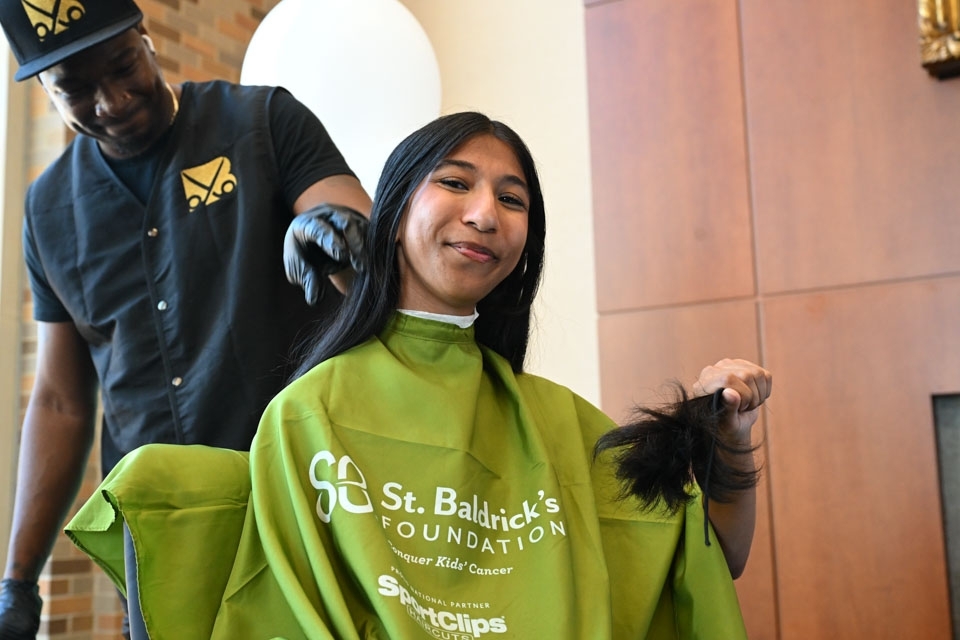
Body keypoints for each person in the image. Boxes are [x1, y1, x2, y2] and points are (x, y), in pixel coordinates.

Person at [66, 111, 772, 639]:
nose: (484, 213)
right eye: (456, 183)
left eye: (512, 199)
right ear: (396, 210)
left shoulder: (564, 424)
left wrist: (730, 435)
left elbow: (713, 555)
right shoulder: (307, 413)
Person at [0, 0, 373, 637]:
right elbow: (61, 401)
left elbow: (347, 223)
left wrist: (332, 228)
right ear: (44, 87)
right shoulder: (49, 209)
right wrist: (17, 581)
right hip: (159, 536)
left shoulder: (262, 121)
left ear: (144, 35)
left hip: (300, 508)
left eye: (121, 66)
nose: (112, 101)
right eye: (75, 90)